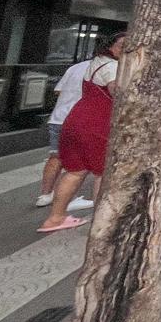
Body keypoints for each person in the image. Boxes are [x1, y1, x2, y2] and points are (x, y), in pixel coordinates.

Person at [38, 32, 126, 233]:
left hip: (76, 120)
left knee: (75, 171)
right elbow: (117, 91)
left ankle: (55, 217)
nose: (126, 50)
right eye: (122, 45)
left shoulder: (96, 62)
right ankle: (103, 221)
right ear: (110, 46)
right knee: (103, 172)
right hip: (97, 123)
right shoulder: (112, 67)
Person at [36, 58, 95, 213]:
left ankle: (45, 195)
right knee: (77, 163)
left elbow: (58, 90)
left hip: (58, 118)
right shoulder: (107, 67)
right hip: (79, 119)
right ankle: (68, 199)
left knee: (55, 157)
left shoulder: (75, 67)